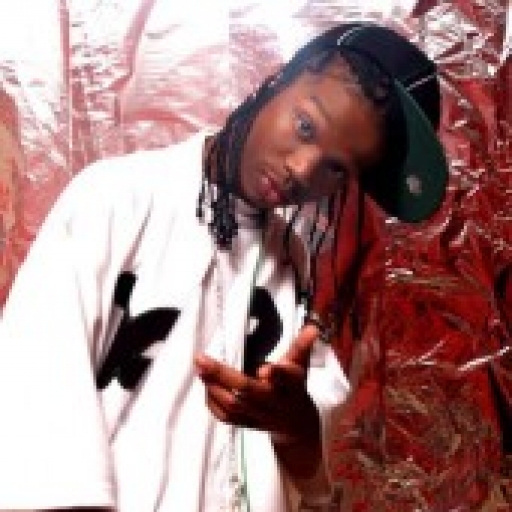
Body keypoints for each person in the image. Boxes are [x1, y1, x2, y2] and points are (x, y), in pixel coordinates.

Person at [0, 21, 448, 512]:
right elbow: (35, 401)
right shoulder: (114, 198)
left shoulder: (294, 265)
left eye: (336, 169)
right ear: (280, 79)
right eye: (305, 126)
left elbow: (314, 479)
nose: (303, 170)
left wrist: (294, 426)